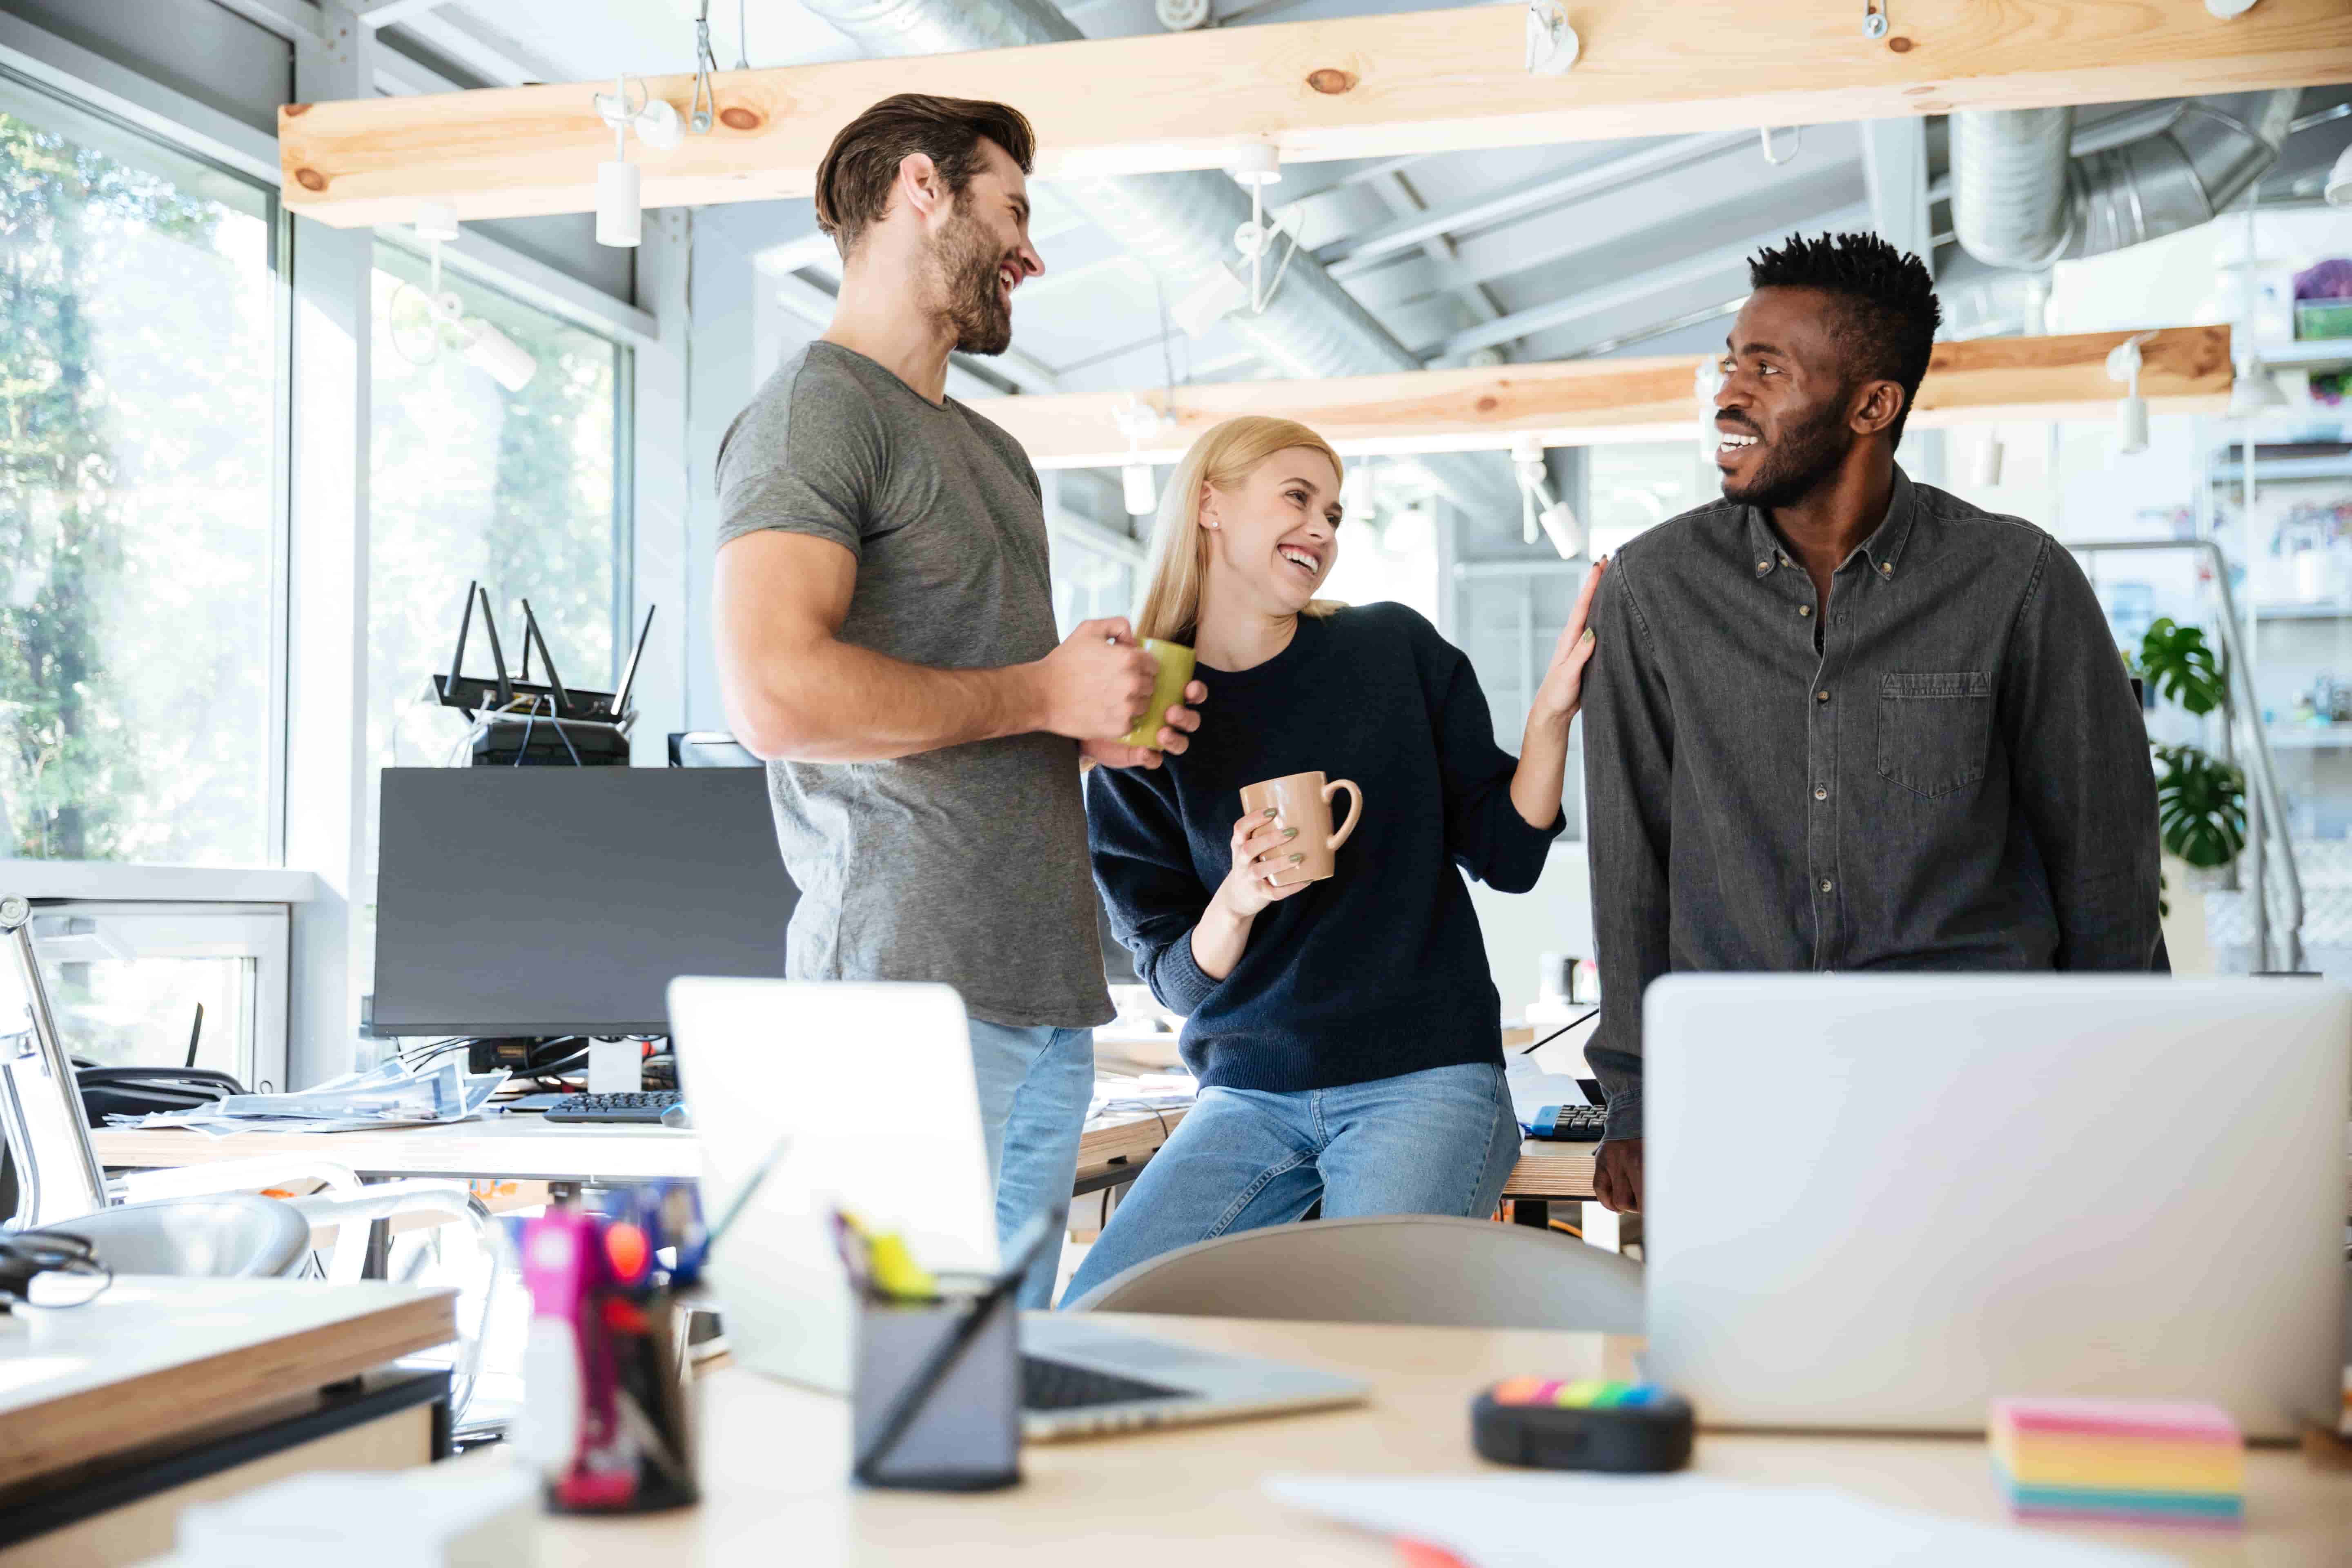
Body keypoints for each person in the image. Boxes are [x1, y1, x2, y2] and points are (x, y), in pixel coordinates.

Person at [711, 94, 1205, 1307]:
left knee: (997, 1392)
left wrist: (1079, 726)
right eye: (1014, 209)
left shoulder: (995, 454)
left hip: (1042, 993)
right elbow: (774, 696)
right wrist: (1040, 687)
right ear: (923, 190)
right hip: (898, 998)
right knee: (890, 1389)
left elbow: (973, 710)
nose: (1031, 253)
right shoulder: (813, 413)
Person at [1579, 231, 2165, 1216]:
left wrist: (2126, 1086)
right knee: (1755, 1370)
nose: (1729, 392)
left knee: (1983, 1356)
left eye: (1768, 369)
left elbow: (2104, 856)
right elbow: (1632, 856)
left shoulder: (2016, 581)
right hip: (1743, 1090)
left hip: (1983, 1088)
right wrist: (1634, 1099)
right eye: (1731, 361)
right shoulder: (1654, 588)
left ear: (1872, 405)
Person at [1064, 416, 1603, 1301]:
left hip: (1422, 1080)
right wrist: (1235, 902)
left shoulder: (1391, 650)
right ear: (1209, 504)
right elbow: (1171, 978)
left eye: (1336, 513)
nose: (1322, 528)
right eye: (1298, 499)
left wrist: (1549, 721)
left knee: (1372, 1323)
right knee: (1100, 1313)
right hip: (1247, 1096)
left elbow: (1507, 855)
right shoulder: (1147, 710)